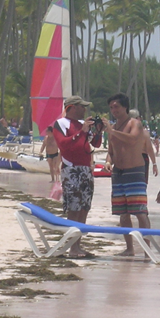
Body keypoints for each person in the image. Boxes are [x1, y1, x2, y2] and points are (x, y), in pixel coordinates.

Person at [53, 96, 104, 257]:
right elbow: (64, 145)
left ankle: (77, 245)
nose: (84, 110)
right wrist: (80, 133)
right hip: (71, 169)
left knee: (84, 208)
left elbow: (94, 144)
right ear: (72, 108)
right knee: (74, 208)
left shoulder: (82, 125)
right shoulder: (61, 123)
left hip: (85, 169)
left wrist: (97, 131)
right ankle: (72, 247)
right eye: (81, 107)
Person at [103, 93, 151, 257]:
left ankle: (147, 250)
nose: (113, 110)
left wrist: (112, 131)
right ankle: (129, 248)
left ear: (125, 107)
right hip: (118, 173)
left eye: (116, 106)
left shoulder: (135, 123)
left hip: (135, 171)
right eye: (111, 107)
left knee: (140, 212)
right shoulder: (113, 128)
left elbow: (132, 140)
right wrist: (108, 161)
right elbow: (111, 151)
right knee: (123, 214)